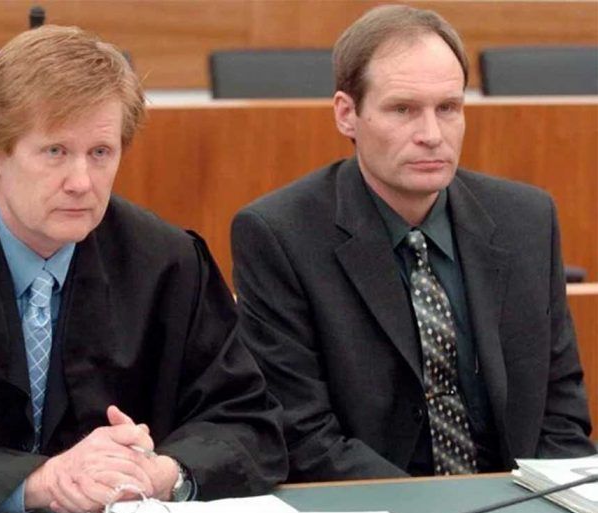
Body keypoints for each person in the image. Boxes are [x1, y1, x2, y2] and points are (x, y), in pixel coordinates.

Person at [0, 25, 287, 513]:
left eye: (100, 153)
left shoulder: (167, 263)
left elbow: (248, 423)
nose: (81, 182)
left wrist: (164, 473)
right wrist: (38, 482)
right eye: (55, 152)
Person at [231, 5, 595, 482]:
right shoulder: (280, 234)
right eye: (403, 109)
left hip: (518, 501)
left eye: (448, 108)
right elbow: (303, 436)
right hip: (373, 502)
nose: (431, 135)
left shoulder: (526, 219)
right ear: (347, 114)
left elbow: (561, 412)